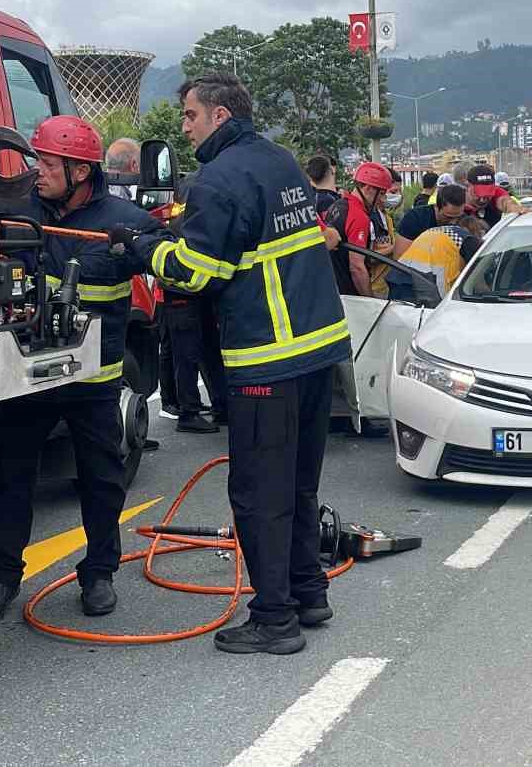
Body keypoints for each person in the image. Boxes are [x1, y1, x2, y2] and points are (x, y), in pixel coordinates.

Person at [116, 72, 350, 655]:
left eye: (190, 115)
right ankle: (308, 591)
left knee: (257, 493)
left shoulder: (217, 179)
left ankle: (275, 619)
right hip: (319, 349)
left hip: (268, 358)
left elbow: (197, 273)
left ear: (219, 116)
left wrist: (146, 249)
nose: (185, 126)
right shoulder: (281, 161)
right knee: (298, 483)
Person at [0, 114, 159, 628]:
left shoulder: (125, 222)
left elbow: (172, 264)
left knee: (102, 480)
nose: (38, 171)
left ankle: (99, 573)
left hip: (93, 382)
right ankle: (1, 577)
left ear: (79, 170)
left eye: (48, 163)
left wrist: (147, 245)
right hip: (27, 377)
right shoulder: (14, 214)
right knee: (11, 479)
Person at [161, 167, 227, 434]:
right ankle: (189, 412)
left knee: (209, 348)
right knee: (187, 353)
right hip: (183, 287)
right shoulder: (199, 197)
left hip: (196, 287)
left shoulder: (193, 191)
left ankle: (221, 406)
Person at [328, 161, 395, 297]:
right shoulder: (359, 216)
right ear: (369, 189)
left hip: (334, 288)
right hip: (349, 293)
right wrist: (370, 301)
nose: (382, 199)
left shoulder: (337, 206)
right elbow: (357, 268)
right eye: (381, 193)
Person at [391, 213, 487, 299]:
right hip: (424, 283)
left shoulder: (439, 231)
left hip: (398, 277)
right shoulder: (468, 239)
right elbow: (479, 282)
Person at [394, 181, 468, 257]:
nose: (453, 222)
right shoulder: (415, 218)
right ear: (436, 206)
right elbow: (400, 256)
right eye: (448, 217)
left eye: (458, 217)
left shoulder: (466, 220)